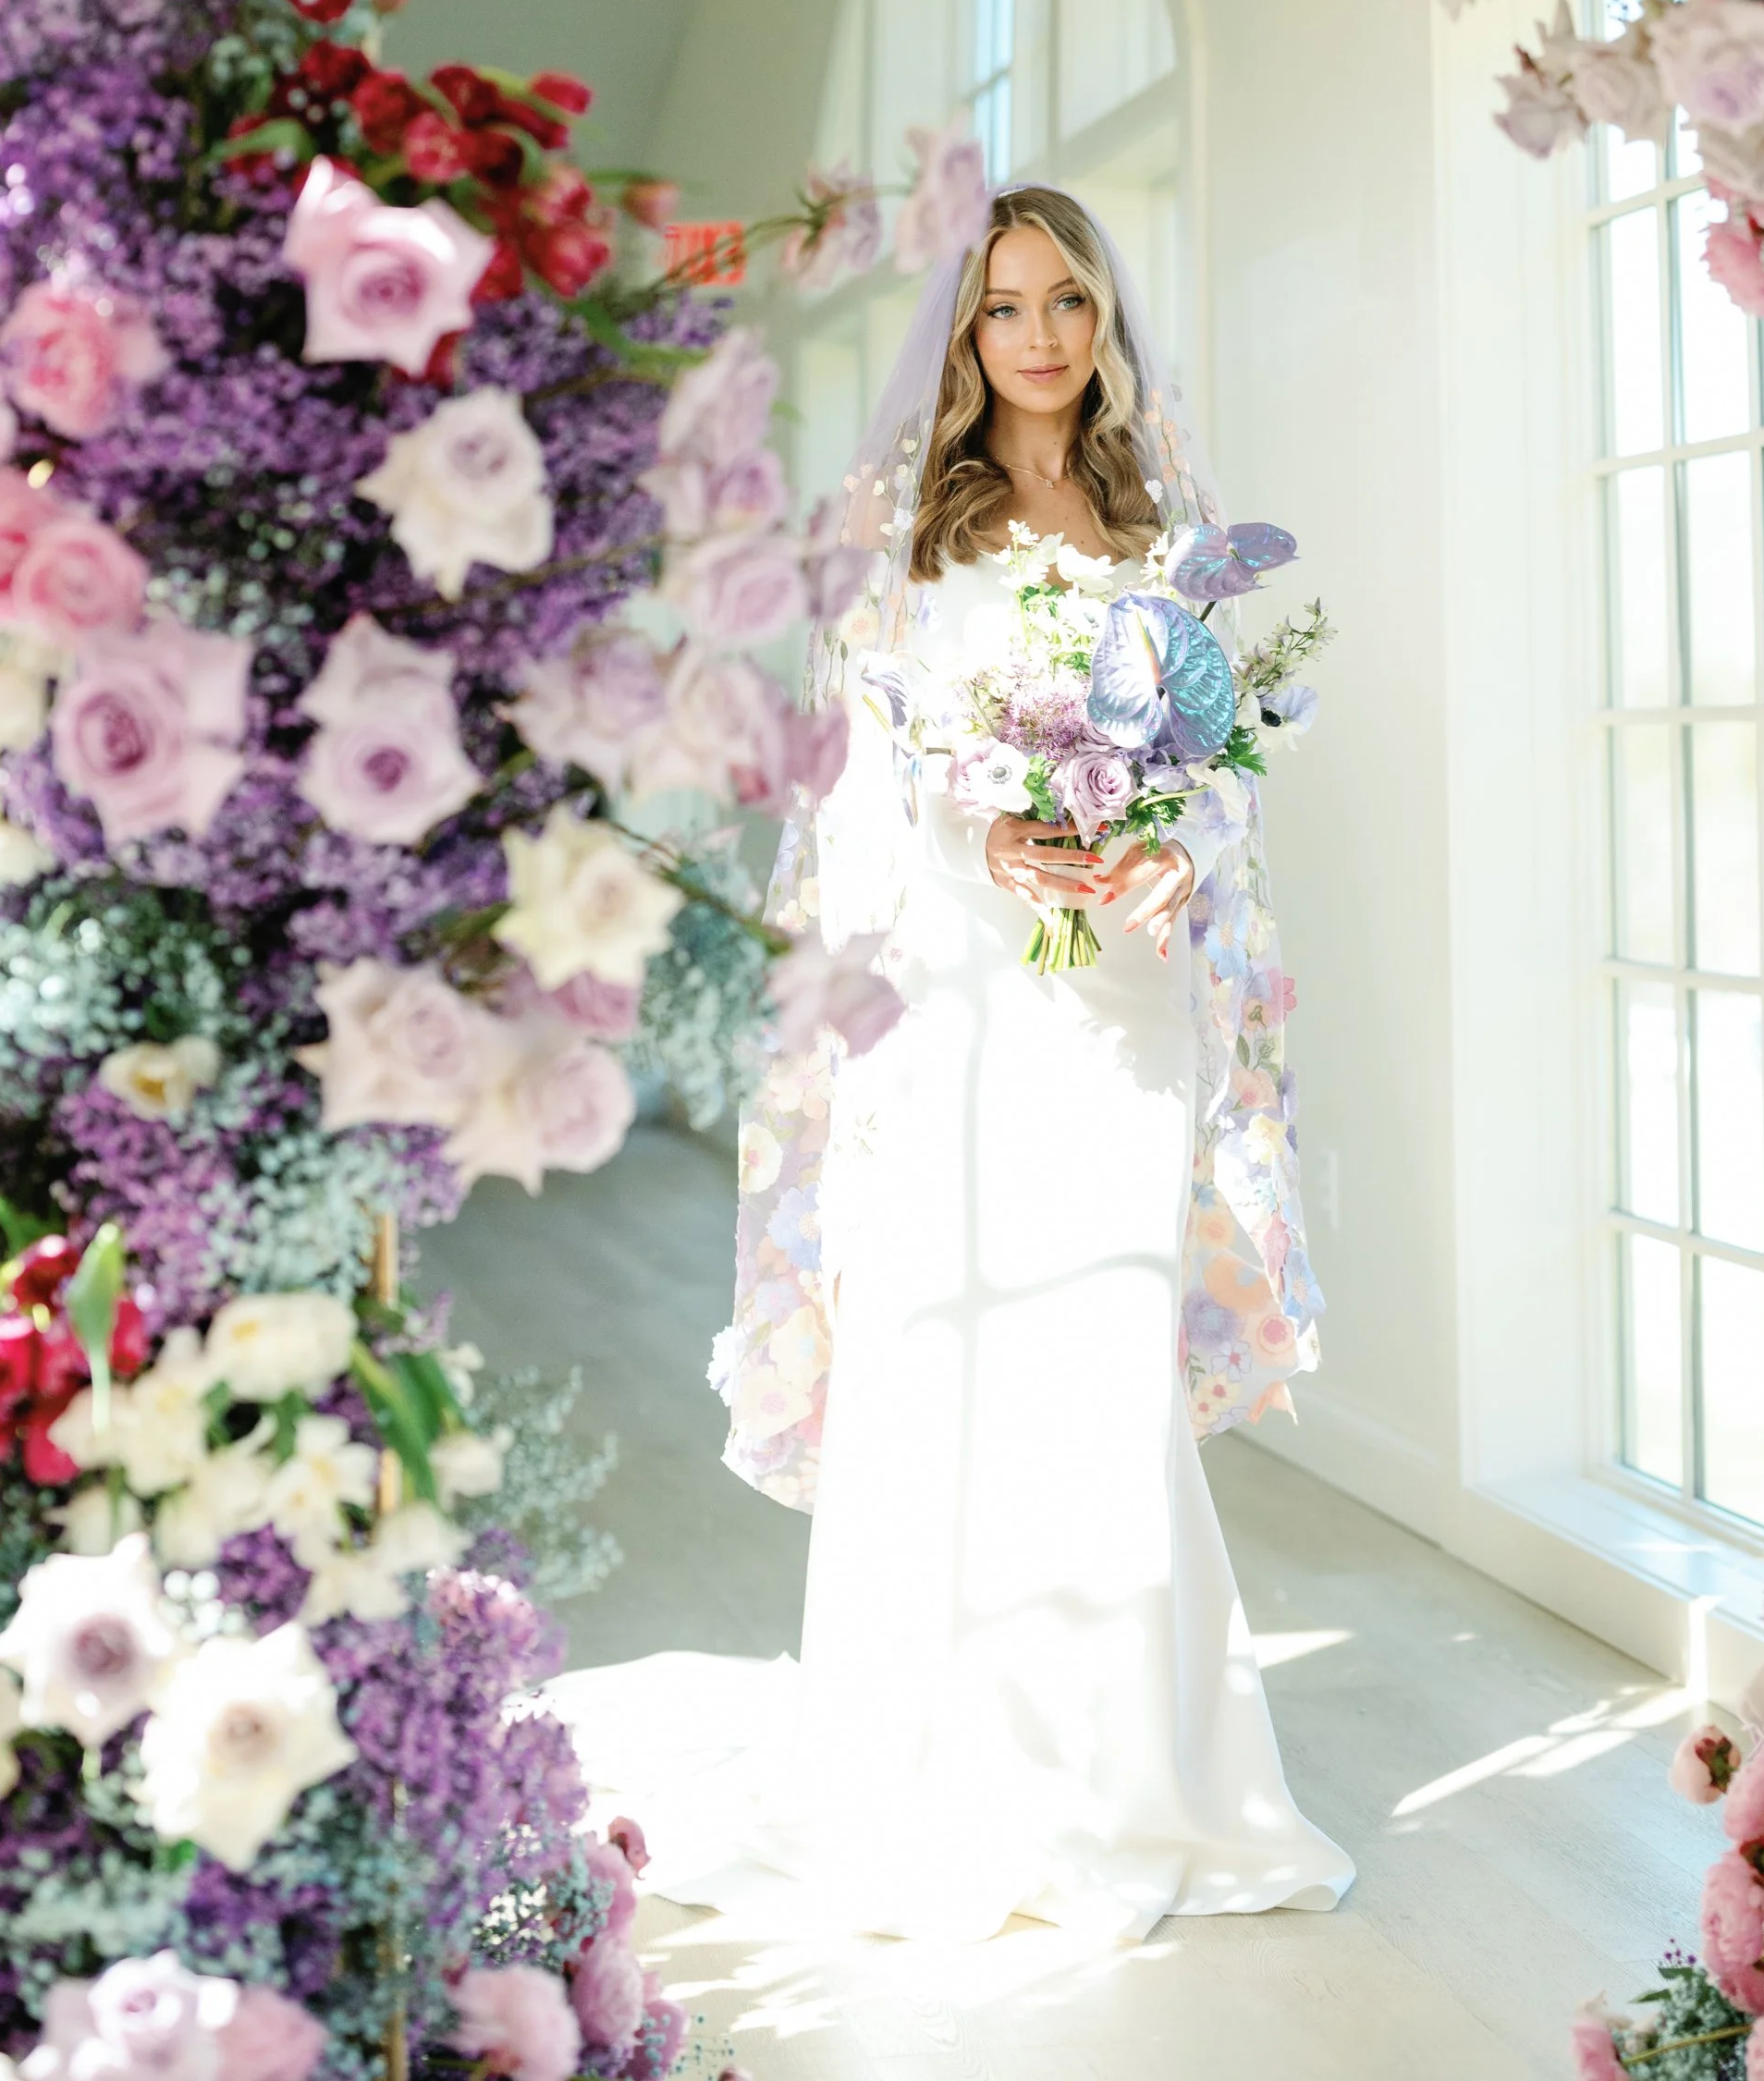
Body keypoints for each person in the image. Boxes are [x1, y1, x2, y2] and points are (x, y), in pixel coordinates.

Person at [552, 183, 1353, 1943]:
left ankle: (1144, 1785)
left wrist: (1167, 847)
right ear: (967, 333)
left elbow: (1219, 761)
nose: (1046, 337)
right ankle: (928, 1778)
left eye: (1069, 300)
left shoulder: (1168, 522)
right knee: (944, 1349)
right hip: (956, 1000)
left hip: (1122, 994)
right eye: (1007, 308)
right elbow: (855, 774)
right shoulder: (898, 525)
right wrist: (986, 846)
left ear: (1103, 314)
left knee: (1094, 1364)